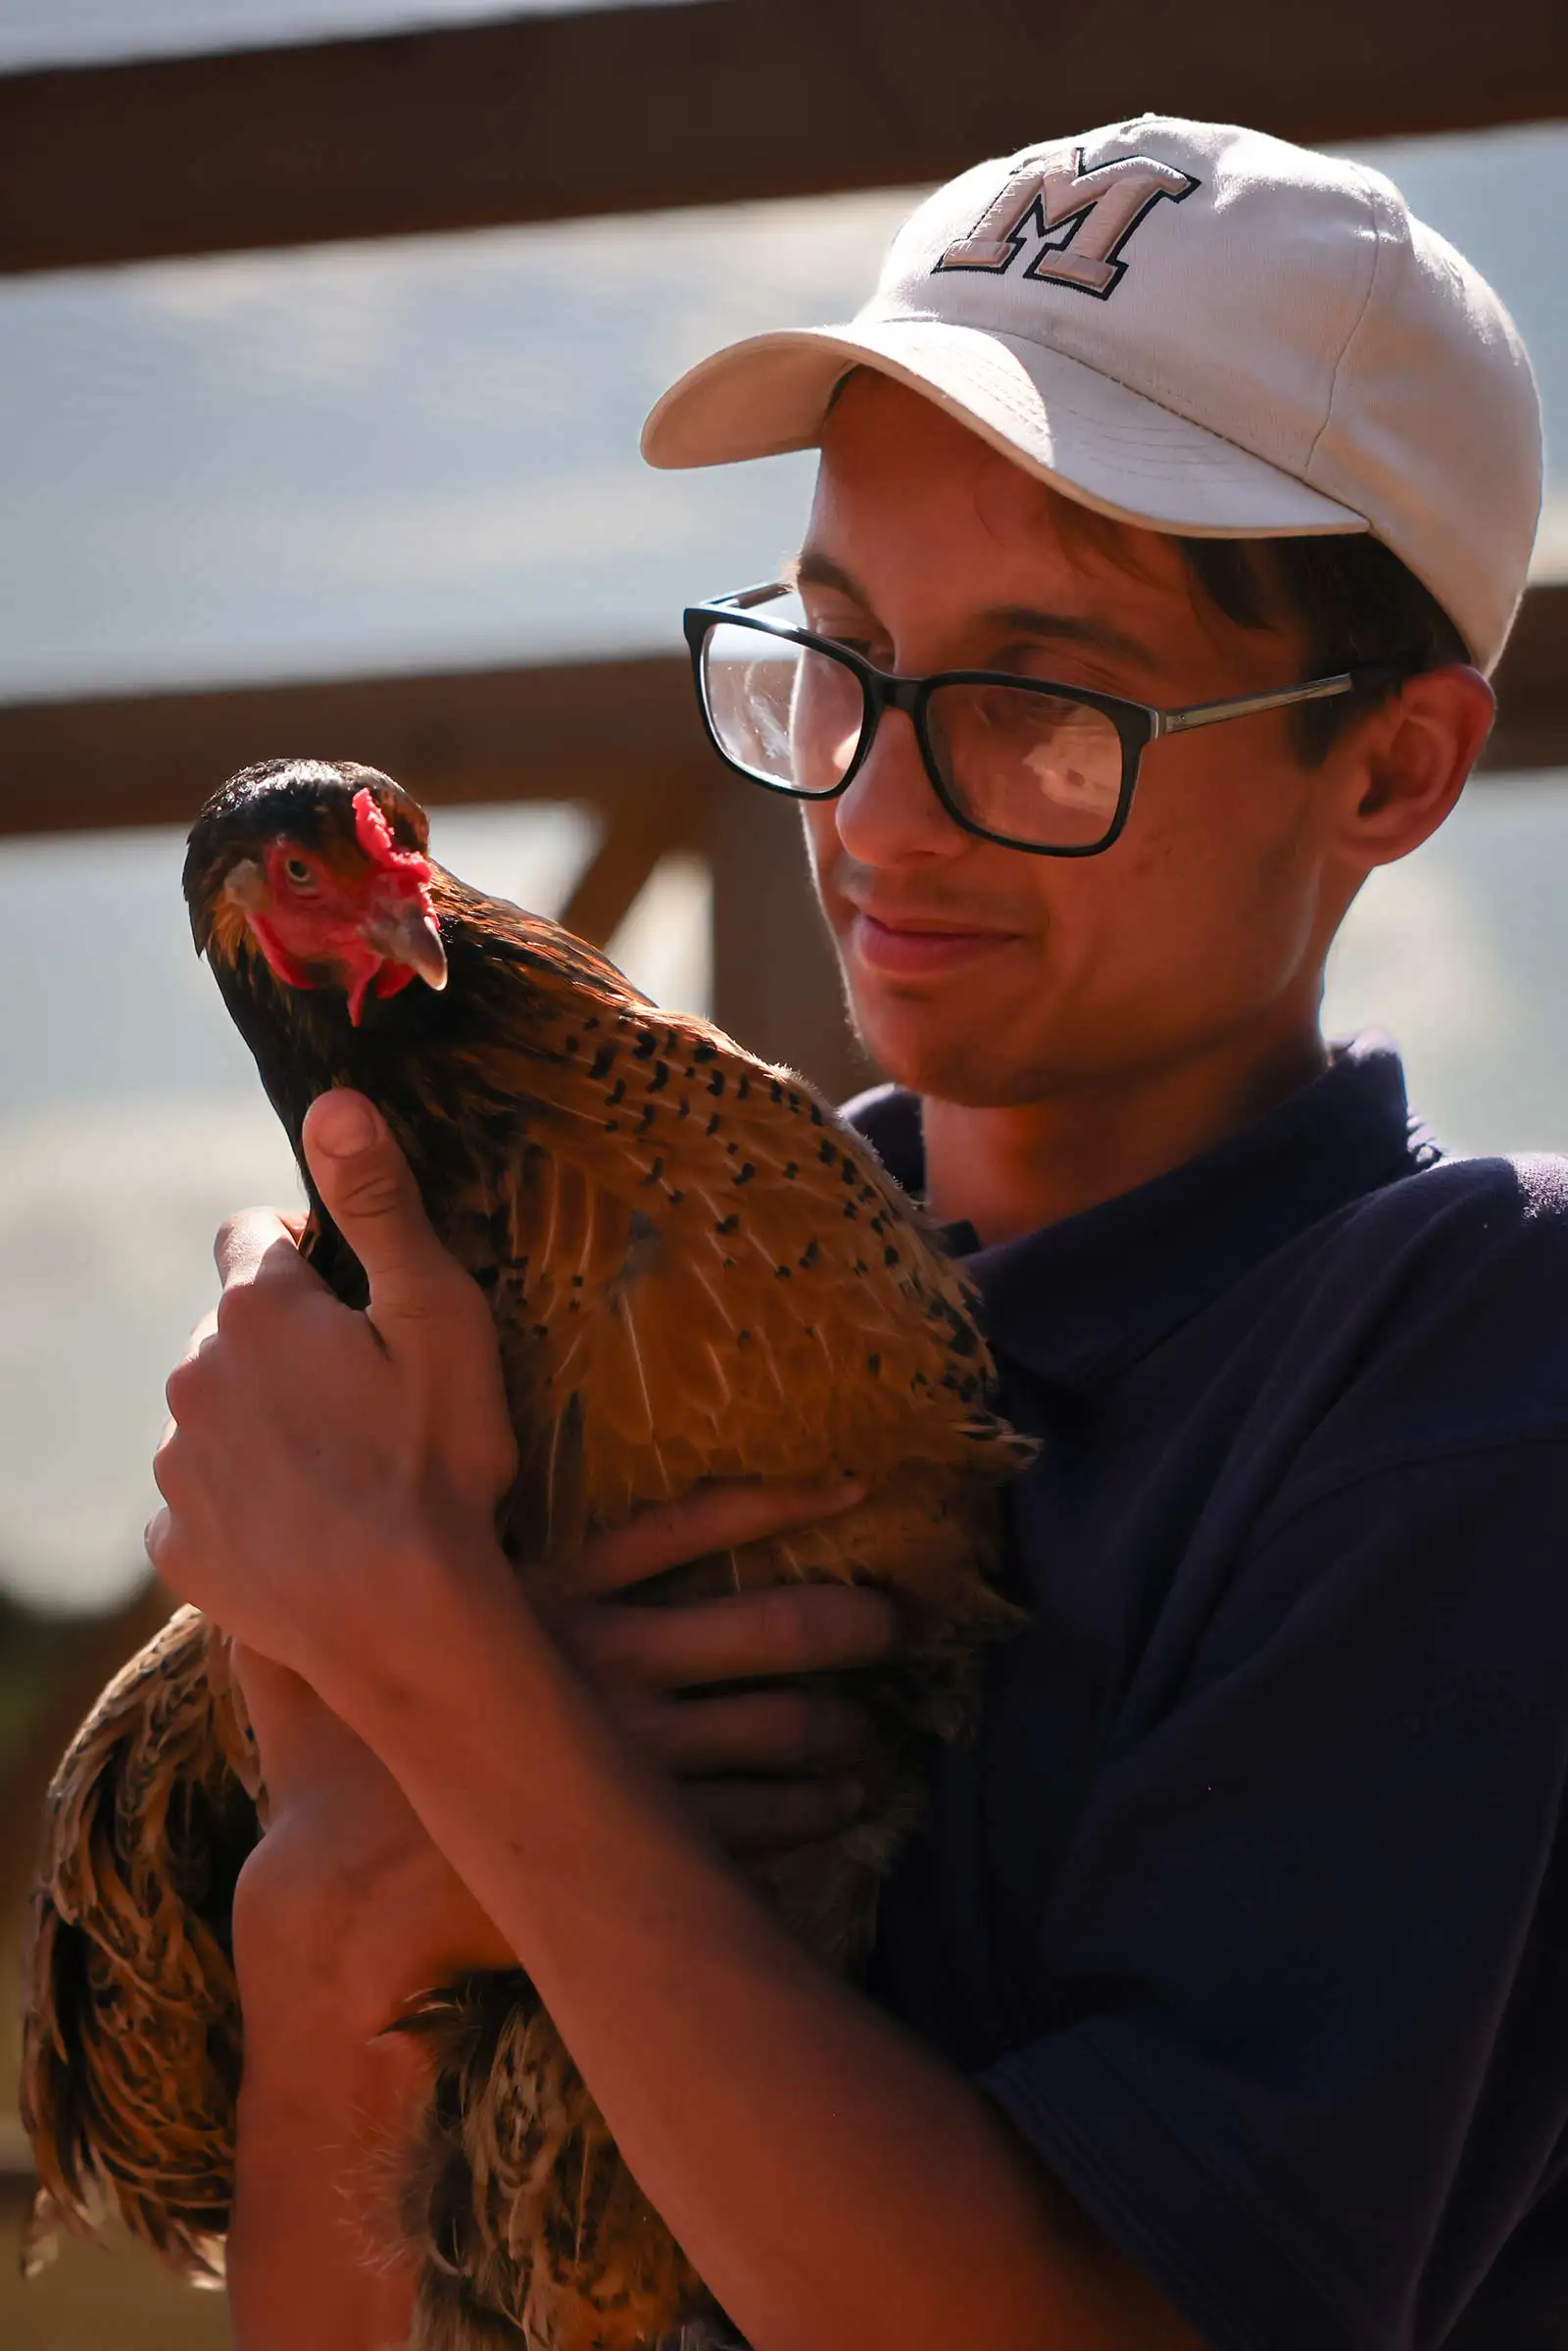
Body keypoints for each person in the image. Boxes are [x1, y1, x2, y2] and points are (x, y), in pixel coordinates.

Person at [147, 115, 1560, 2350]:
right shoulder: (588, 1330)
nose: (879, 809)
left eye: (1039, 702)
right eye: (833, 652)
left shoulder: (1470, 1363)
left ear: (1386, 769)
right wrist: (326, 1923)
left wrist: (447, 1686)